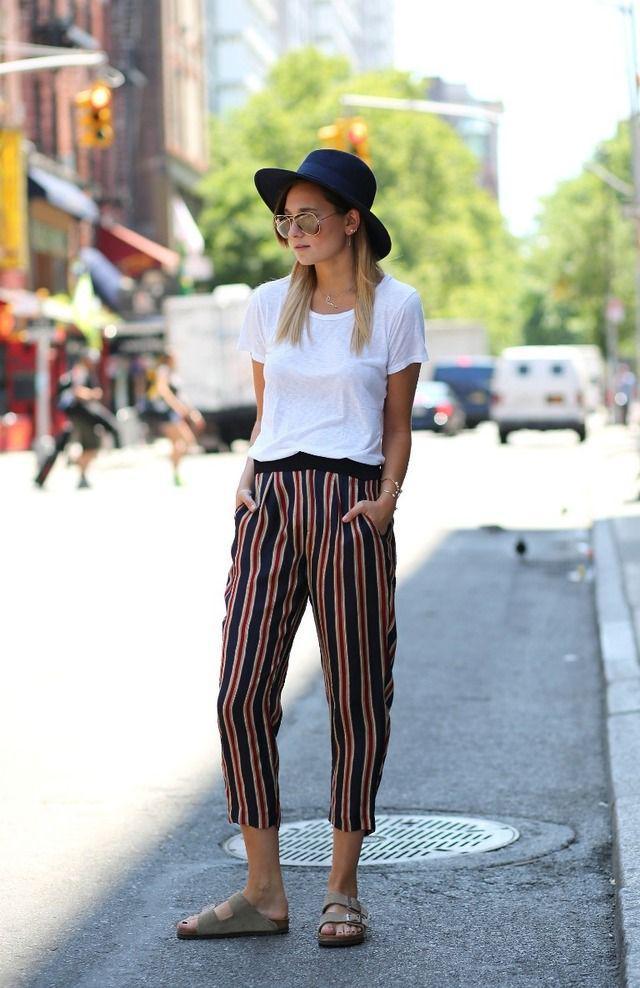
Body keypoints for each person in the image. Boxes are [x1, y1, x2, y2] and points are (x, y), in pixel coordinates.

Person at [177, 149, 428, 947]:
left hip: (350, 504)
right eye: (285, 219)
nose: (293, 231)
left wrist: (385, 505)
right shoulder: (265, 305)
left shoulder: (396, 307)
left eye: (308, 217)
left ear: (351, 221)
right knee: (241, 692)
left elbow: (395, 426)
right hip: (272, 501)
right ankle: (263, 890)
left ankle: (342, 889)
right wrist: (248, 477)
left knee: (357, 698)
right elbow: (266, 412)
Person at [35, 350, 120, 489]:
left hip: (78, 417)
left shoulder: (83, 373)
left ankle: (79, 473)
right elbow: (77, 391)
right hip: (79, 416)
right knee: (91, 444)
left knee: (85, 446)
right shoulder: (79, 372)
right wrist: (92, 394)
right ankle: (75, 469)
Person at [142, 351, 204, 486]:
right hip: (167, 413)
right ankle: (174, 472)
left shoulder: (173, 373)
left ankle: (175, 472)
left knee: (182, 444)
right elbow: (163, 390)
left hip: (174, 414)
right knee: (185, 442)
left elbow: (182, 395)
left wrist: (191, 411)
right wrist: (178, 407)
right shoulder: (163, 370)